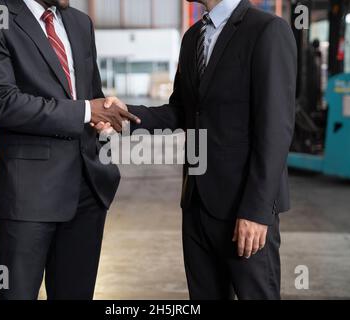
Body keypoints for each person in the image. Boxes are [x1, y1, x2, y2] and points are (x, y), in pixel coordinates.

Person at [100, 0, 297, 299]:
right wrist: (127, 114)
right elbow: (182, 110)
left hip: (244, 209)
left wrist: (257, 212)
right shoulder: (193, 37)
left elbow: (275, 130)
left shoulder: (267, 31)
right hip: (196, 204)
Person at [0, 0, 139, 300]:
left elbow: (89, 94)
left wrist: (102, 117)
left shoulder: (80, 23)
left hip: (87, 188)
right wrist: (85, 111)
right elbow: (2, 104)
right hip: (28, 195)